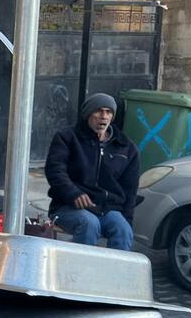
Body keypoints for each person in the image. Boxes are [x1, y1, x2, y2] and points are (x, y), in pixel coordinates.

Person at [45, 93, 139, 250]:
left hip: (107, 209)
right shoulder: (67, 137)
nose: (103, 116)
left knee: (123, 230)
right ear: (87, 114)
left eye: (108, 112)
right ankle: (80, 272)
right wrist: (73, 193)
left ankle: (116, 274)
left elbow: (130, 190)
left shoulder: (127, 148)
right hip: (67, 206)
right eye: (98, 111)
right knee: (89, 224)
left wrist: (127, 220)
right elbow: (55, 170)